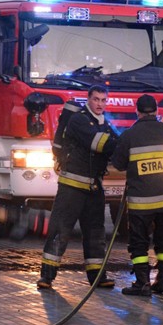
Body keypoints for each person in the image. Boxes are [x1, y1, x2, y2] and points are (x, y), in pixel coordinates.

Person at [37, 85, 119, 290]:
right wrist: (123, 141)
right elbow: (99, 144)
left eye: (103, 100)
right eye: (96, 99)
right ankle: (46, 277)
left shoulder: (104, 123)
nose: (100, 104)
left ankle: (97, 277)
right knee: (60, 230)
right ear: (88, 100)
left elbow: (113, 146)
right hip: (72, 187)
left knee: (95, 233)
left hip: (93, 187)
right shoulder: (79, 120)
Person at [109, 94, 163, 296]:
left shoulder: (129, 135)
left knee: (139, 244)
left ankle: (142, 283)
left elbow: (117, 165)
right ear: (156, 111)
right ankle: (162, 282)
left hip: (140, 202)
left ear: (137, 111)